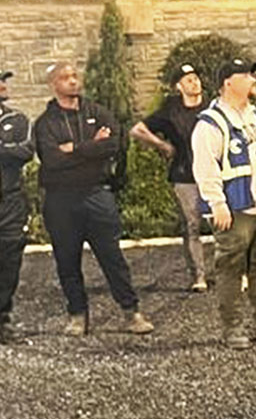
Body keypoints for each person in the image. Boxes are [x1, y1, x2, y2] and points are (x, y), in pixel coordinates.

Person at [34, 61, 151, 337]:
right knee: (67, 260)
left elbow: (113, 144)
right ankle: (77, 314)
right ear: (53, 85)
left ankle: (131, 311)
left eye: (75, 75)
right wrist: (91, 147)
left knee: (112, 257)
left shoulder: (97, 112)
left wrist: (73, 149)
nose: (73, 81)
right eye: (65, 77)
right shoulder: (45, 123)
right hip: (61, 201)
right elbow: (52, 160)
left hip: (97, 195)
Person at [191, 59, 256, 349]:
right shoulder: (211, 123)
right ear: (228, 82)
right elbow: (205, 166)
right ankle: (232, 328)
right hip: (236, 210)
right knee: (231, 269)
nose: (252, 79)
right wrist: (217, 203)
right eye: (245, 75)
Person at [131, 62, 209, 291]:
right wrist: (162, 145)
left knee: (223, 226)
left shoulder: (212, 107)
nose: (194, 83)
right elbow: (138, 129)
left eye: (196, 78)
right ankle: (199, 277)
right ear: (179, 86)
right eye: (189, 80)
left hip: (213, 174)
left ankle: (231, 273)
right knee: (192, 226)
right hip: (184, 175)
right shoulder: (170, 111)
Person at [0, 69, 33, 344]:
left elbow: (25, 151)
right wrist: (6, 149)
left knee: (10, 260)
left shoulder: (17, 119)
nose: (3, 85)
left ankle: (2, 319)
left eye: (3, 80)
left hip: (10, 201)